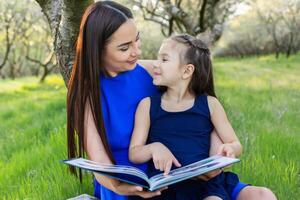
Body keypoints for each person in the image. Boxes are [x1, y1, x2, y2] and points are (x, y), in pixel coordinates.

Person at [66, 1, 277, 200]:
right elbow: (99, 163)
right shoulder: (86, 95)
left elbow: (201, 110)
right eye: (124, 48)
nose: (136, 52)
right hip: (131, 182)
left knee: (262, 196)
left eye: (137, 40)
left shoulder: (152, 71)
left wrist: (212, 159)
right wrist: (120, 187)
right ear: (97, 49)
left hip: (186, 170)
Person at [128, 34, 277, 200]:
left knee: (264, 195)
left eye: (164, 59)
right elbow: (134, 153)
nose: (155, 64)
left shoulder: (210, 104)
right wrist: (153, 147)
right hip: (166, 187)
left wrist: (228, 150)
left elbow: (235, 144)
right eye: (157, 58)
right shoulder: (147, 105)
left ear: (187, 71)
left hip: (205, 183)